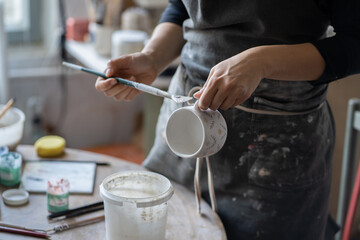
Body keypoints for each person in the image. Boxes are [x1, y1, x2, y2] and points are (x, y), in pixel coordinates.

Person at [95, 0, 360, 239]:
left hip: (275, 144)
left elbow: (355, 43)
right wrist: (152, 57)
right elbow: (182, 7)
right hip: (185, 120)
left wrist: (262, 61)